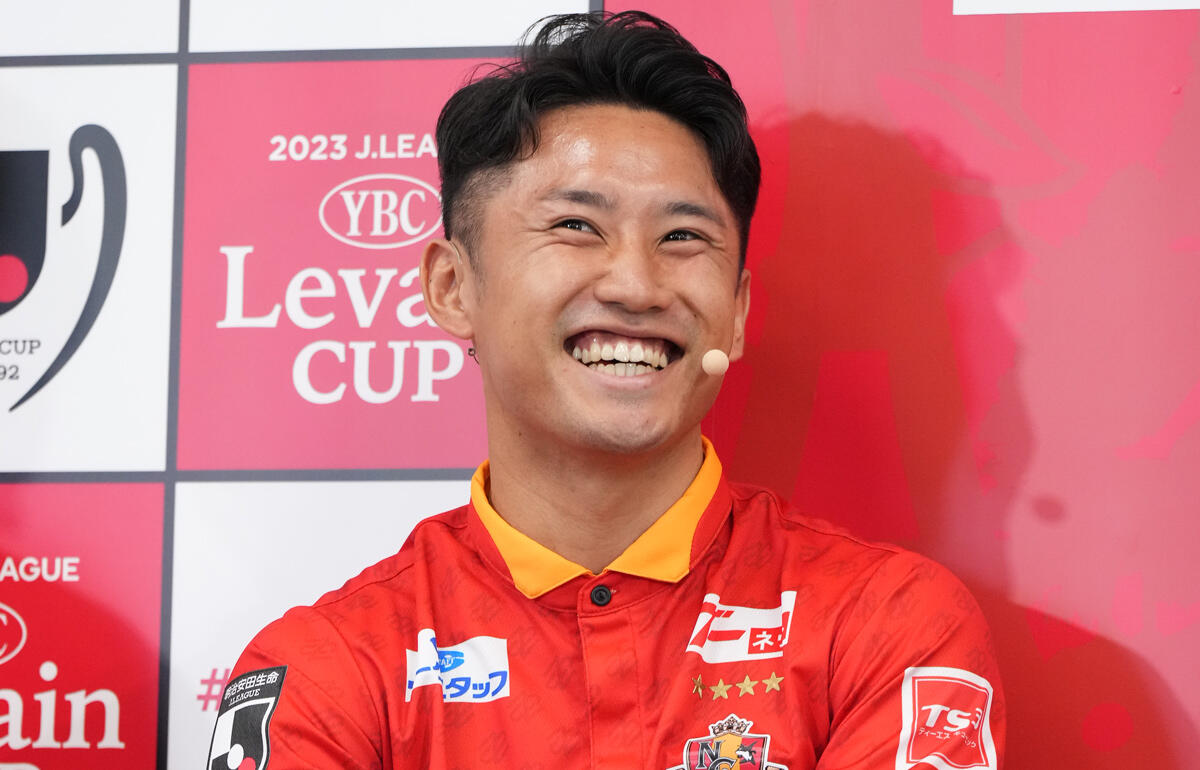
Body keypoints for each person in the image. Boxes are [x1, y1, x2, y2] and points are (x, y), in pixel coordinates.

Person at [207, 11, 1005, 770]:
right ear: (452, 287)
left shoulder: (887, 624)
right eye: (577, 227)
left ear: (735, 314)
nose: (635, 285)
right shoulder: (329, 667)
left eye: (683, 237)